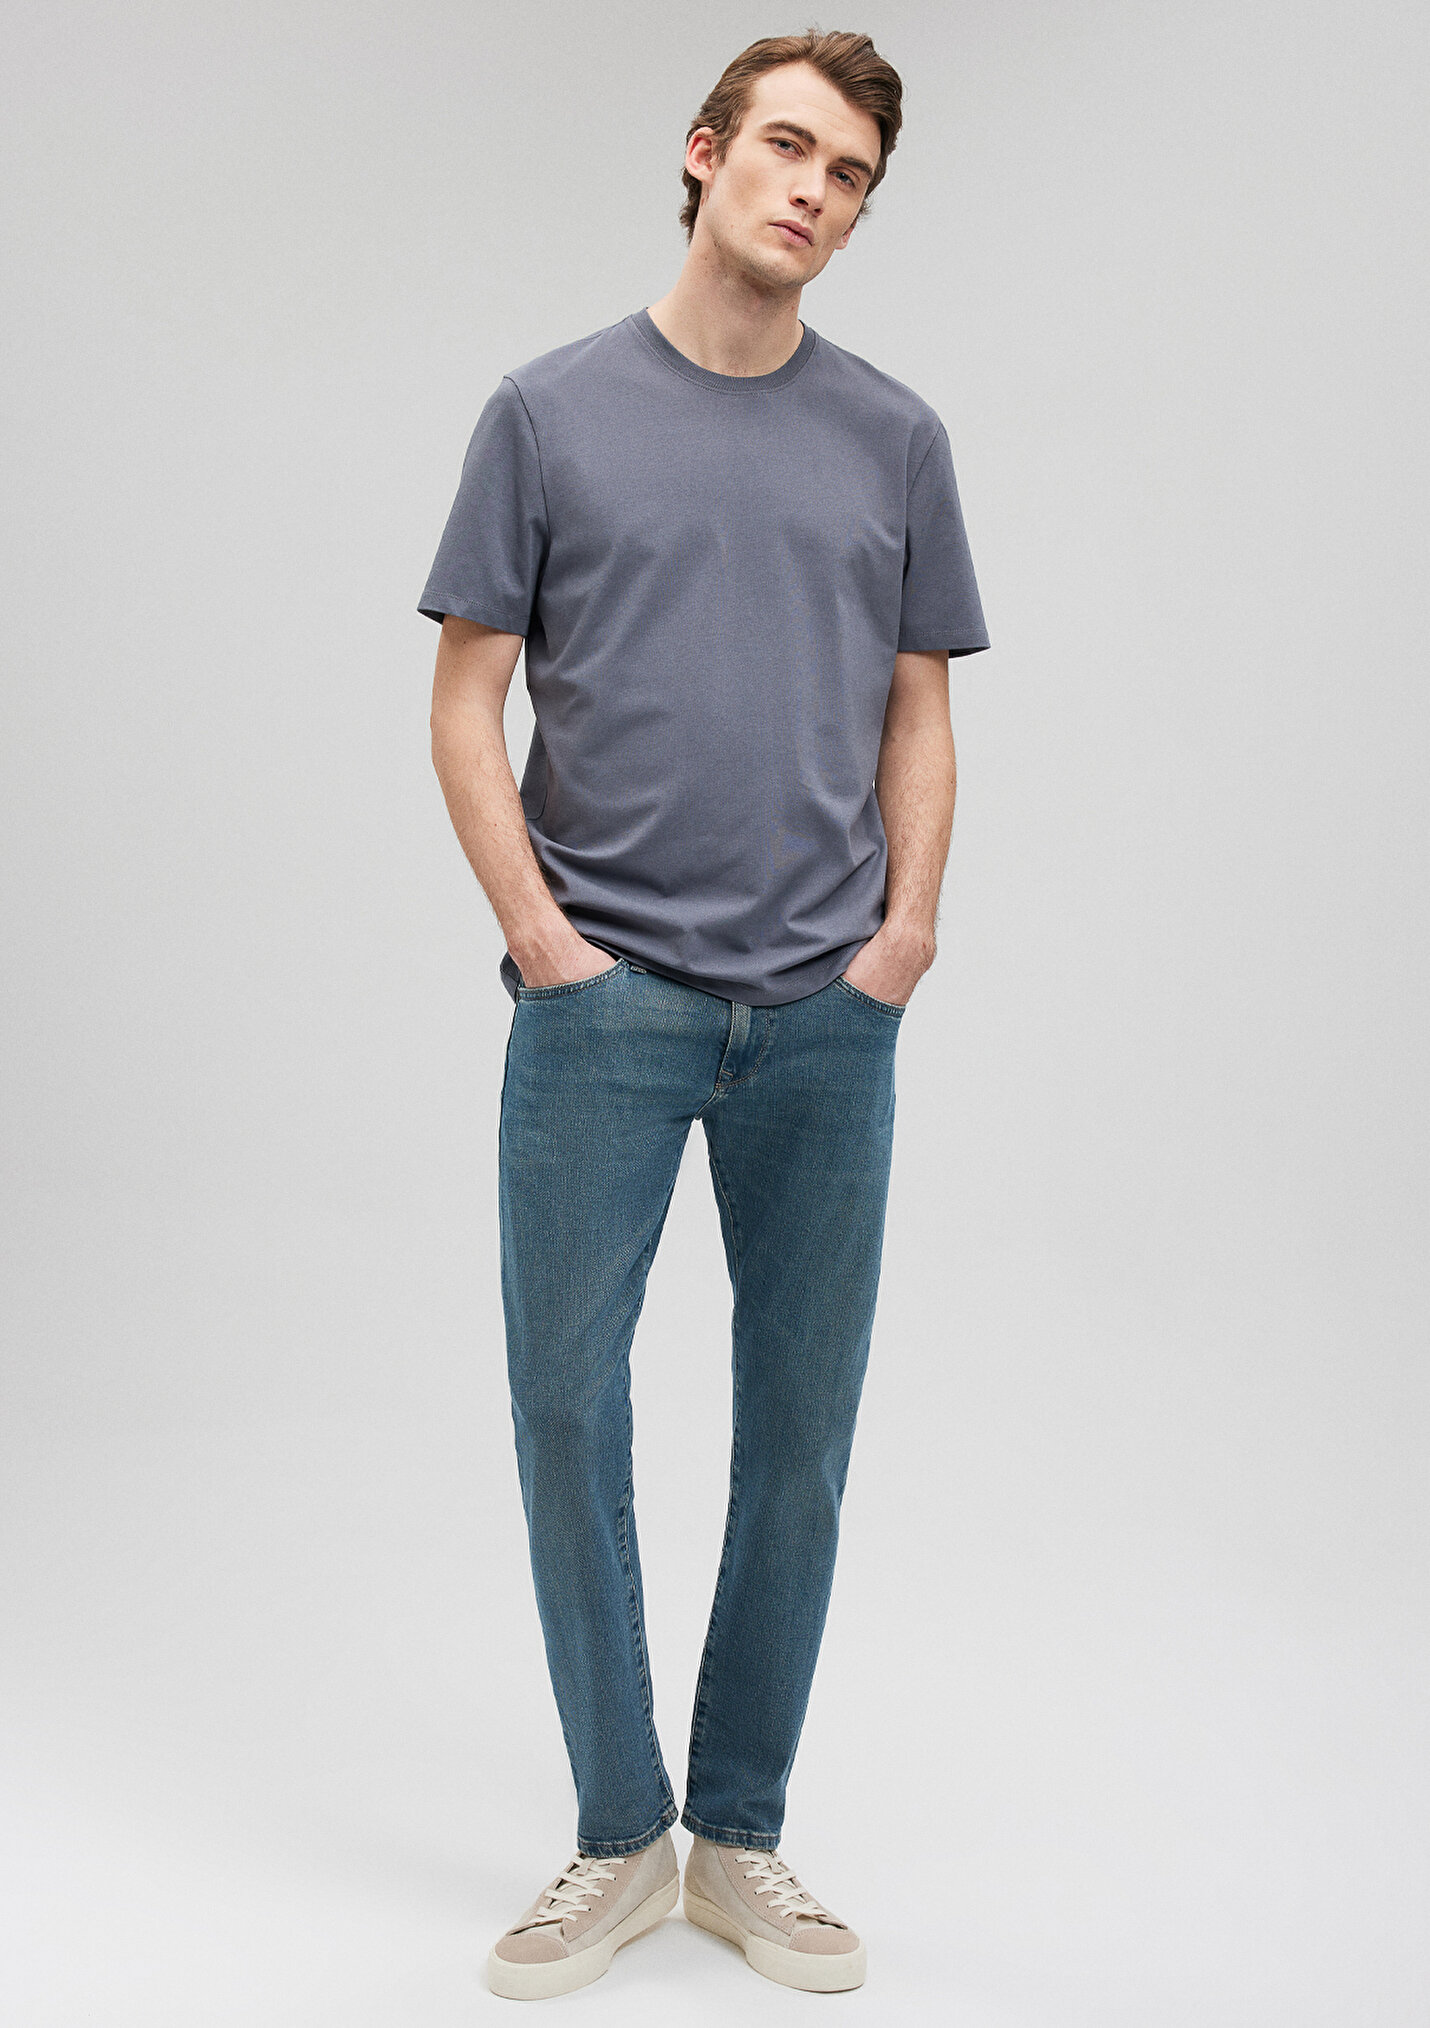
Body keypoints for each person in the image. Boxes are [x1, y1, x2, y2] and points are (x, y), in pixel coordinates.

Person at [420, 27, 989, 2002]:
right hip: (605, 1004)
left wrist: (904, 939)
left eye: (849, 175)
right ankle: (619, 1830)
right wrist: (541, 940)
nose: (813, 192)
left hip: (827, 1013)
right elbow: (463, 696)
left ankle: (737, 1835)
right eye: (788, 149)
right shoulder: (547, 414)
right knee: (567, 1410)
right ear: (704, 152)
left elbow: (921, 707)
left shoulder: (894, 438)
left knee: (801, 1430)